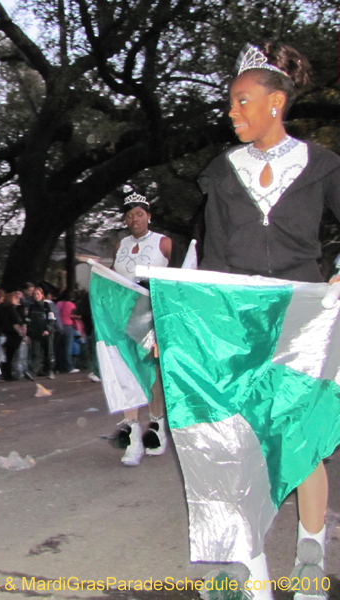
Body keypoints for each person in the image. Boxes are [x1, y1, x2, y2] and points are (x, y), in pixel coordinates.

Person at [196, 42, 340, 599]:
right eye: (231, 103)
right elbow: (212, 259)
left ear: (275, 102)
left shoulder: (321, 164)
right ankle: (245, 565)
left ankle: (310, 552)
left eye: (241, 101)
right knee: (243, 440)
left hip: (305, 315)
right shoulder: (222, 172)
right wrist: (189, 327)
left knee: (299, 441)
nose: (231, 113)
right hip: (241, 317)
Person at [111, 192, 171, 466]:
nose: (134, 219)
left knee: (152, 375)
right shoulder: (119, 245)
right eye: (129, 215)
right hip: (123, 313)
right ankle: (133, 437)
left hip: (151, 314)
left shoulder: (164, 243)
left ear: (148, 215)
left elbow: (176, 280)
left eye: (139, 213)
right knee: (125, 372)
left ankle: (157, 429)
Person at [26, 286, 56, 380]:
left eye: (38, 294)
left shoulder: (47, 306)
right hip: (35, 333)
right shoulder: (31, 307)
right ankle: (32, 372)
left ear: (42, 295)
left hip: (46, 333)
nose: (36, 296)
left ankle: (50, 371)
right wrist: (28, 332)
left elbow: (51, 319)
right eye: (34, 294)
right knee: (36, 353)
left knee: (48, 353)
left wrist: (48, 329)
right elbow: (28, 320)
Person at [2, 291, 26, 380]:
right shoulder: (12, 310)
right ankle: (8, 374)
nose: (17, 300)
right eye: (16, 298)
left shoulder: (3, 309)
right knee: (10, 355)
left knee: (7, 355)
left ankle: (5, 373)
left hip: (6, 333)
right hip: (12, 335)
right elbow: (15, 323)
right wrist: (21, 333)